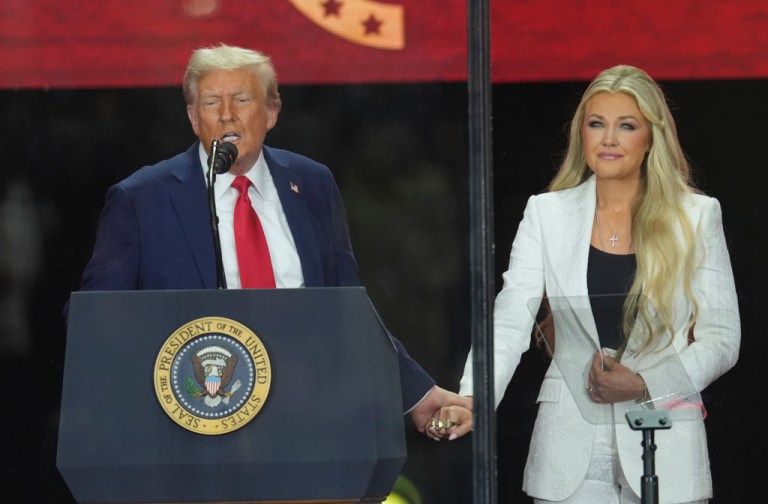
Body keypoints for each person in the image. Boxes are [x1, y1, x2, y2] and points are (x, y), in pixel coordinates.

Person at [75, 43, 471, 435]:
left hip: (311, 419)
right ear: (194, 118)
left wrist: (416, 394)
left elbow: (347, 306)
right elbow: (97, 320)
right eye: (211, 103)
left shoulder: (312, 184)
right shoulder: (142, 199)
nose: (226, 114)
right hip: (192, 426)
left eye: (241, 99)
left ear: (271, 112)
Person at [437, 65, 740, 502]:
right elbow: (509, 320)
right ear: (581, 133)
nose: (609, 139)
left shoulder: (695, 216)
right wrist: (474, 398)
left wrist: (645, 382)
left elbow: (722, 339)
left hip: (665, 440)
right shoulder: (546, 214)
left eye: (627, 126)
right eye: (597, 124)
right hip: (568, 446)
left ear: (651, 137)